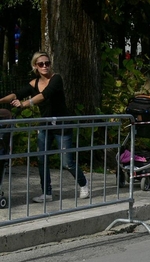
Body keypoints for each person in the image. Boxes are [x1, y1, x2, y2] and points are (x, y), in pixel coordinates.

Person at [0, 51, 90, 202]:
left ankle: (84, 184)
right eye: (41, 64)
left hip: (62, 124)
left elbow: (44, 95)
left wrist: (26, 103)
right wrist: (2, 100)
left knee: (67, 162)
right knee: (43, 159)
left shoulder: (56, 79)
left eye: (47, 63)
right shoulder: (34, 83)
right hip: (46, 124)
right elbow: (16, 94)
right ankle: (47, 193)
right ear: (35, 66)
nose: (45, 66)